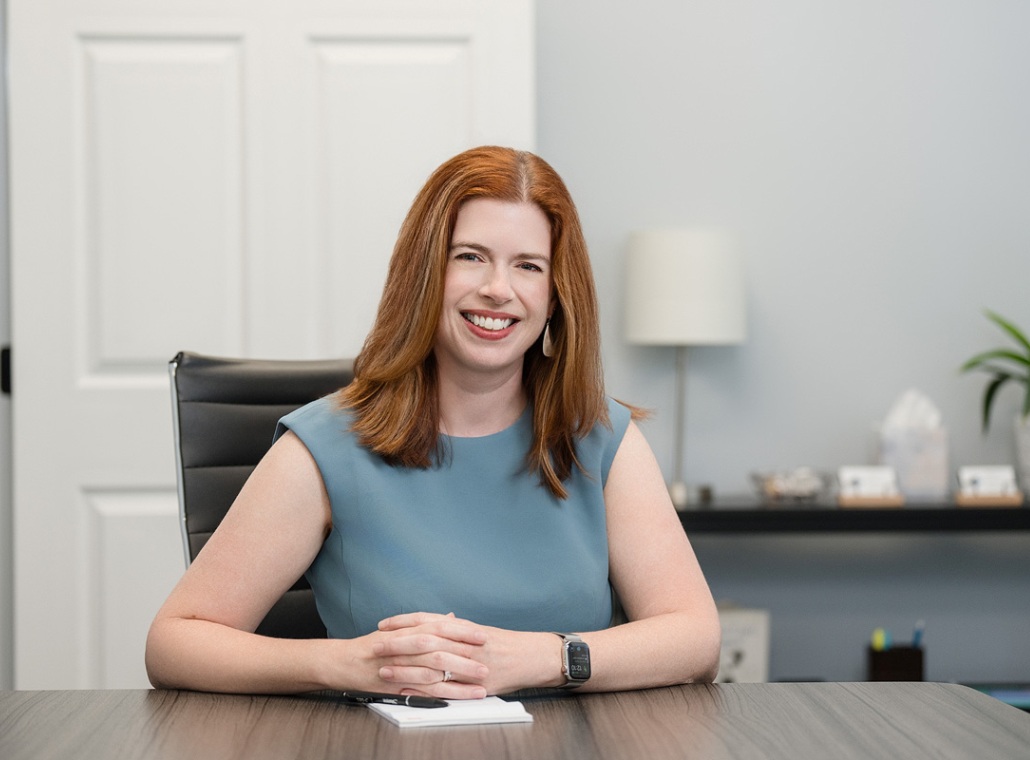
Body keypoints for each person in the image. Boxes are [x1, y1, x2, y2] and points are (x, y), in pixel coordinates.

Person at [146, 146, 720, 698]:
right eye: (470, 256)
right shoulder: (326, 447)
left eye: (528, 265)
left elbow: (695, 638)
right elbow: (175, 643)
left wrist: (545, 659)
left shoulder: (601, 439)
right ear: (425, 275)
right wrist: (342, 663)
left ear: (555, 298)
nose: (498, 289)